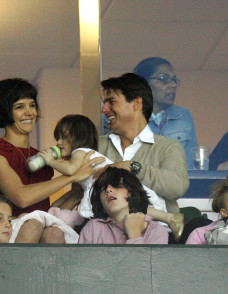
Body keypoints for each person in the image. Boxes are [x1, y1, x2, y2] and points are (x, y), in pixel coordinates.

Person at [0, 78, 102, 243]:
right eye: (19, 107)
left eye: (32, 105)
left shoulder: (41, 158)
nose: (29, 112)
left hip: (36, 231)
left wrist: (75, 194)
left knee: (55, 233)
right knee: (34, 226)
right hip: (4, 234)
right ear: (4, 111)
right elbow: (21, 197)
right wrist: (72, 175)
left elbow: (43, 212)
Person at [38, 114, 182, 237]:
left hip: (114, 183)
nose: (58, 143)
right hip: (118, 183)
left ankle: (168, 218)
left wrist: (50, 160)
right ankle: (168, 217)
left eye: (64, 138)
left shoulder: (79, 152)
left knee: (132, 208)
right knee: (135, 207)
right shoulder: (84, 154)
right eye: (58, 138)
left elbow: (70, 170)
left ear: (77, 138)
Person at [97, 73, 189, 234]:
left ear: (136, 104)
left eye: (111, 102)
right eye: (104, 103)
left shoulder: (168, 147)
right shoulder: (97, 145)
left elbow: (177, 187)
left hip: (157, 237)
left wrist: (133, 167)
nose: (104, 109)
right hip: (103, 235)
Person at [133, 57, 199, 169]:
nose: (173, 85)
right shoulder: (125, 117)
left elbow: (191, 167)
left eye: (174, 80)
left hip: (176, 184)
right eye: (164, 78)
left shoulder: (183, 116)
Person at [78, 167, 169, 244]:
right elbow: (82, 264)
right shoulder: (93, 227)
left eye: (116, 185)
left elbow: (144, 265)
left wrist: (134, 235)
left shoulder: (156, 230)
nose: (108, 190)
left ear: (132, 192)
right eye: (103, 188)